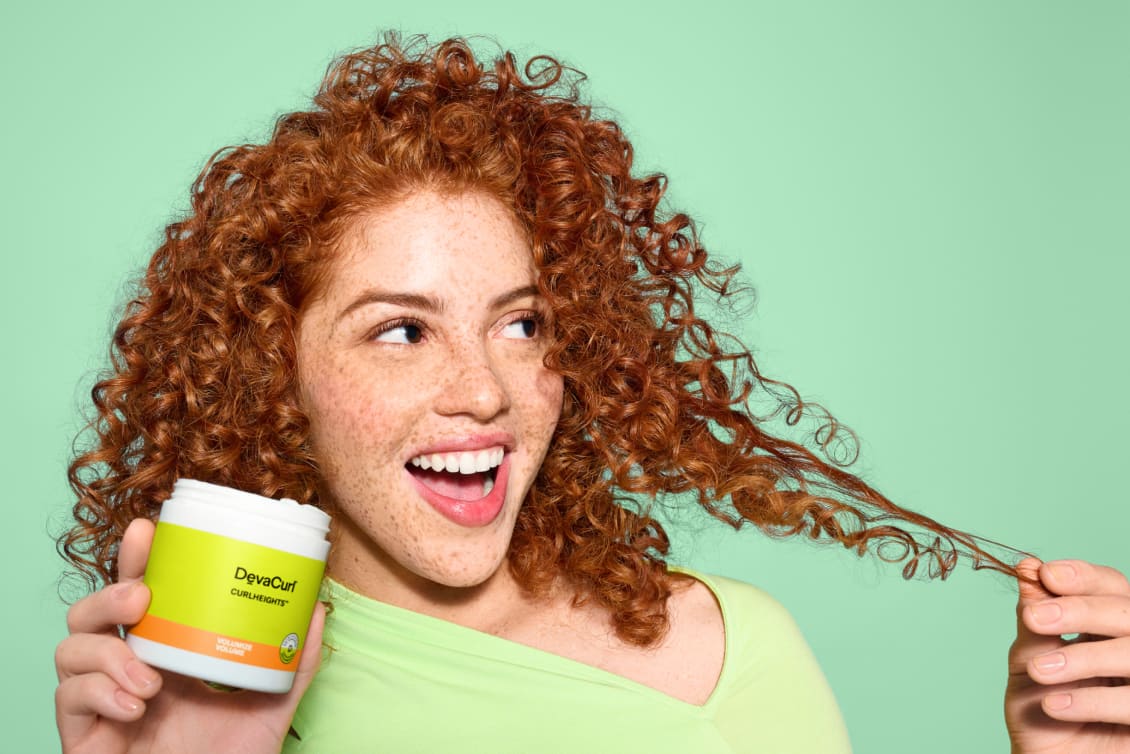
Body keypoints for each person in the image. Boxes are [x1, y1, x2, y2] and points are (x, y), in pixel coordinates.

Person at [54, 35, 1130, 753]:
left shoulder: (735, 647)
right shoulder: (204, 700)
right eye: (400, 329)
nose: (482, 390)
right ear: (270, 374)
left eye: (521, 323)